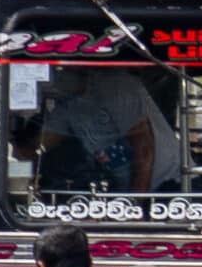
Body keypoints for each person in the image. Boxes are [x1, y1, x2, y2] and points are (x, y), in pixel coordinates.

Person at [36, 62, 181, 195]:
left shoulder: (116, 85)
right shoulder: (67, 103)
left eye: (60, 69)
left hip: (169, 185)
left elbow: (143, 149)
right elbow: (42, 143)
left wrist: (134, 205)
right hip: (124, 188)